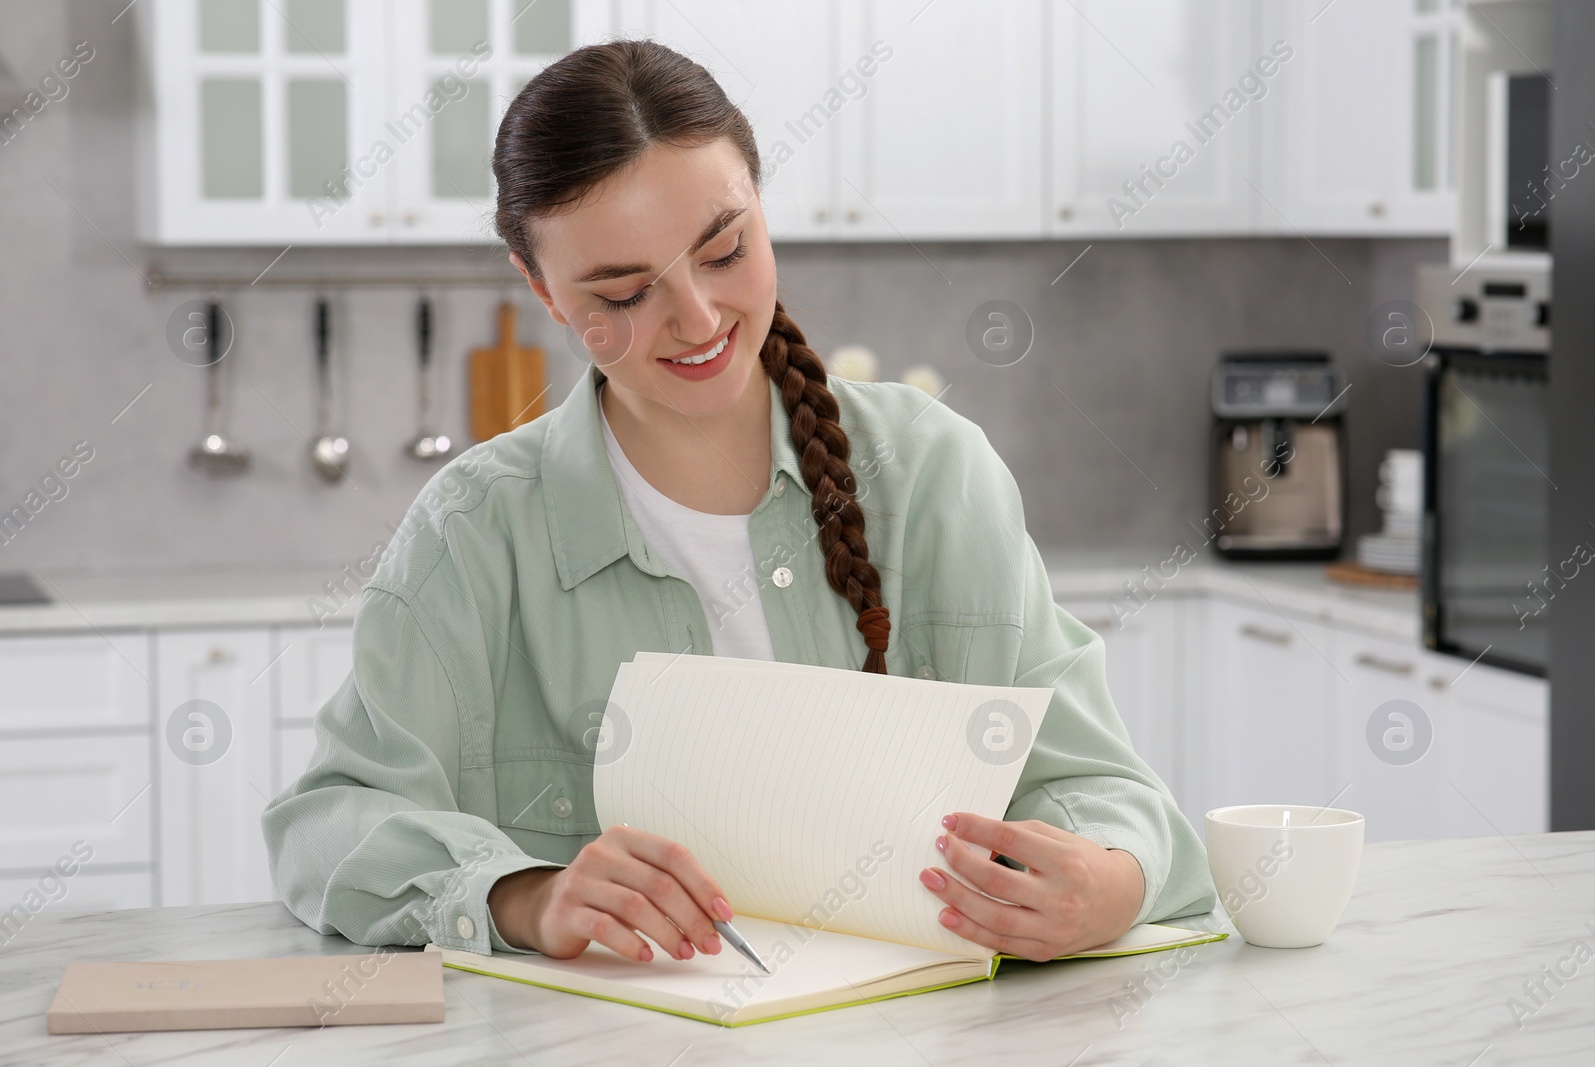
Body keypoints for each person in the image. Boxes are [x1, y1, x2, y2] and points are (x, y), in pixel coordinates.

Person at [262, 39, 1214, 969]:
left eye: (725, 250)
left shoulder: (934, 475)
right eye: (625, 292)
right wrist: (524, 894)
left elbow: (1101, 787)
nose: (699, 320)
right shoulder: (471, 535)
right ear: (540, 287)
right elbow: (330, 823)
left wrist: (1111, 884)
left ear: (761, 204)